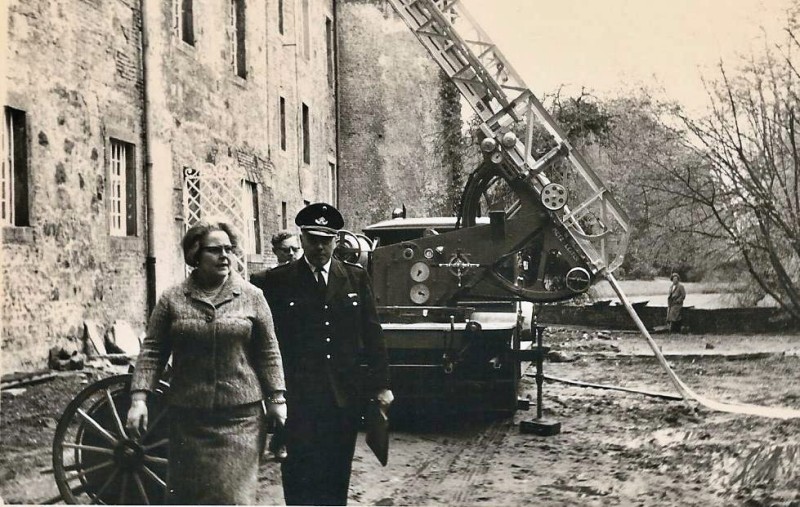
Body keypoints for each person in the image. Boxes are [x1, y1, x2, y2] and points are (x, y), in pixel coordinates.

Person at [126, 219, 287, 505]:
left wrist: (276, 398)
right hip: (189, 417)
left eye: (229, 249)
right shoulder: (172, 299)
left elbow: (268, 351)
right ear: (196, 255)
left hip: (240, 418)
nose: (225, 256)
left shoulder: (253, 297)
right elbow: (153, 349)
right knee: (188, 498)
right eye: (215, 250)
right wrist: (139, 398)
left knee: (232, 498)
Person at [252, 202, 393, 506]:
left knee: (336, 475)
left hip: (343, 398)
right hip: (298, 399)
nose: (319, 247)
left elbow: (372, 333)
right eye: (313, 239)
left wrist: (382, 385)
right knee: (299, 475)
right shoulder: (276, 282)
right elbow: (265, 342)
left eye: (326, 240)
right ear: (301, 238)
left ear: (336, 241)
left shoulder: (354, 278)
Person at [251, 229, 302, 462]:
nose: (291, 254)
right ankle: (269, 439)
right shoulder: (264, 279)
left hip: (296, 345)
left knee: (290, 396)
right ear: (275, 252)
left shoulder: (304, 277)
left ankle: (281, 441)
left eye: (295, 249)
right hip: (272, 345)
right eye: (286, 250)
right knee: (269, 396)